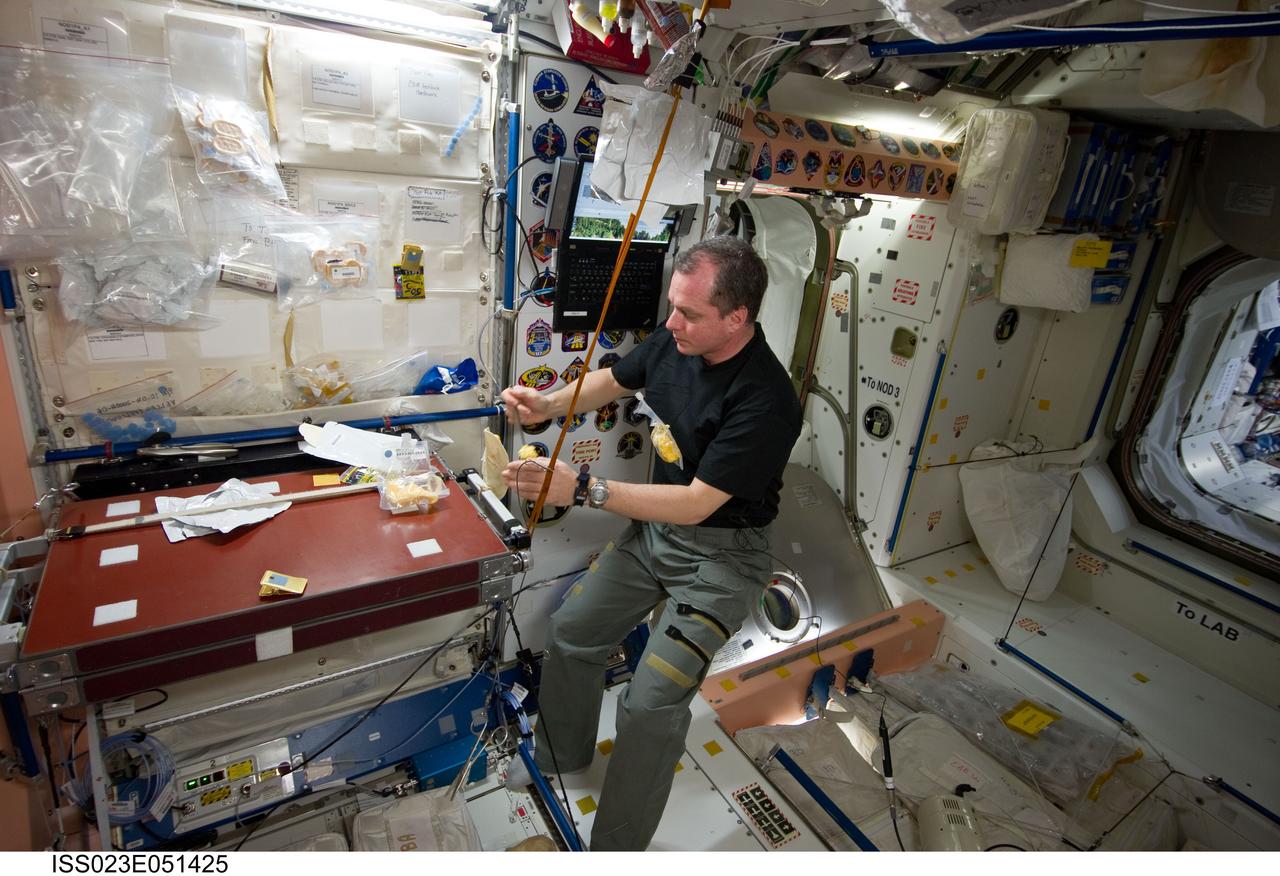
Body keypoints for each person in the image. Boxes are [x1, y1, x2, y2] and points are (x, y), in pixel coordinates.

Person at [500, 235, 802, 851]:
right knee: (573, 632)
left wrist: (583, 488)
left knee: (649, 705)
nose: (672, 322)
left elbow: (697, 503)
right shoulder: (678, 340)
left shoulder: (766, 399)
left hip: (722, 559)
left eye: (689, 312)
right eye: (673, 306)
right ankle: (562, 757)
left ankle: (616, 849)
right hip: (656, 536)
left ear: (737, 317)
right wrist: (545, 405)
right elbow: (612, 380)